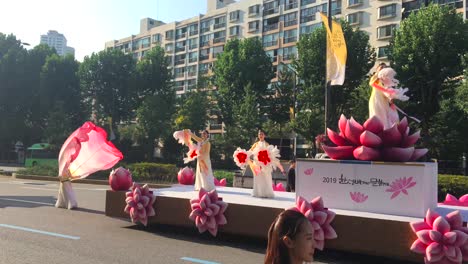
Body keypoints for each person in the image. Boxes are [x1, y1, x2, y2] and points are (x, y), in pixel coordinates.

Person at [249, 129, 285, 198]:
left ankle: (266, 193)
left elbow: (271, 155)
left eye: (262, 134)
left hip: (265, 165)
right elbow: (250, 151)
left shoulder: (267, 144)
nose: (260, 135)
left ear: (264, 135)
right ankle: (258, 193)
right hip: (257, 165)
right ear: (258, 135)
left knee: (266, 178)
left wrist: (281, 167)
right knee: (257, 178)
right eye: (259, 134)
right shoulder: (255, 144)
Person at [368, 62, 399, 129]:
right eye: (381, 67)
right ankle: (377, 130)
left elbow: (388, 89)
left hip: (384, 99)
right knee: (377, 115)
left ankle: (387, 131)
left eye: (385, 67)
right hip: (376, 98)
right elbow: (371, 83)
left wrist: (391, 98)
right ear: (377, 69)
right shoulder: (375, 77)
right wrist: (378, 76)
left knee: (386, 115)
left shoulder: (386, 79)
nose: (383, 69)